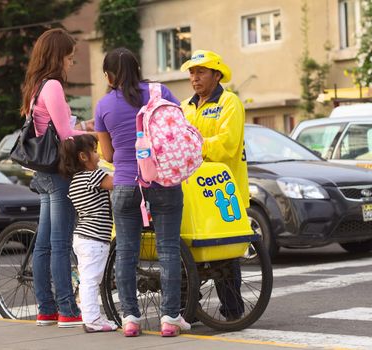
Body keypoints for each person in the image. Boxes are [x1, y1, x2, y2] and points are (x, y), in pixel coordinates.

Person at [95, 47, 191, 337]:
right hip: (164, 182)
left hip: (125, 184)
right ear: (137, 69)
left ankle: (131, 319)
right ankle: (170, 317)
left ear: (109, 76)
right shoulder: (161, 92)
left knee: (126, 253)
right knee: (168, 250)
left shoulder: (103, 106)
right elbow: (181, 129)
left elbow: (107, 155)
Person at [20, 28, 86, 327]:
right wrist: (97, 135)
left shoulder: (35, 87)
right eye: (70, 58)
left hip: (42, 172)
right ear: (57, 56)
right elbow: (65, 133)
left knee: (45, 244)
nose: (71, 64)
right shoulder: (54, 86)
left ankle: (46, 310)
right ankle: (68, 311)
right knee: (60, 244)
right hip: (58, 173)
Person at [180, 49, 248, 321]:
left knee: (225, 254)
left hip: (224, 191)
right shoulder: (185, 106)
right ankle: (191, 311)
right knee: (191, 251)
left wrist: (193, 145)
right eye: (192, 73)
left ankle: (233, 311)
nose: (194, 78)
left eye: (201, 72)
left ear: (216, 75)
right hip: (193, 194)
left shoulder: (230, 102)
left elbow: (227, 145)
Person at [58, 134, 118, 333]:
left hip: (83, 237)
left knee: (88, 279)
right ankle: (92, 320)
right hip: (94, 239)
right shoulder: (93, 176)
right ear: (83, 157)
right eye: (94, 151)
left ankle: (92, 316)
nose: (98, 155)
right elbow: (116, 183)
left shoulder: (75, 181)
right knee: (91, 280)